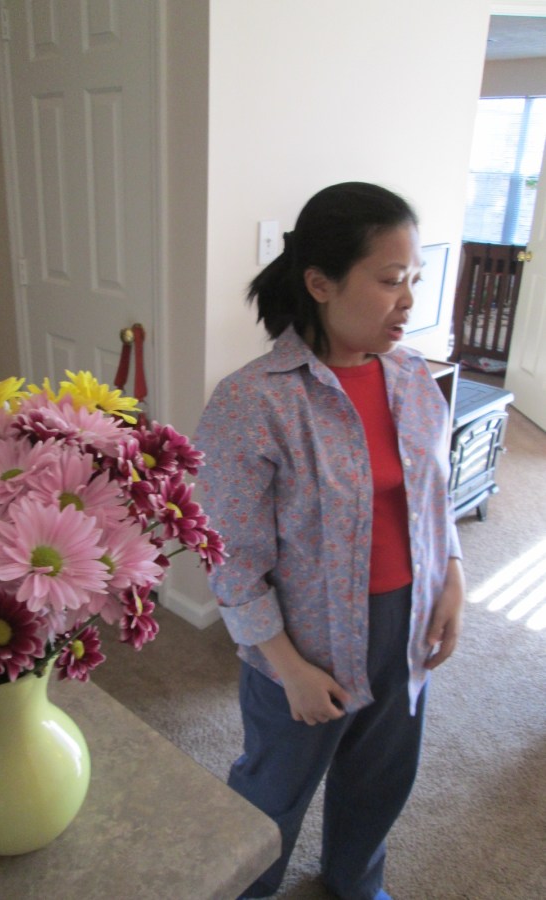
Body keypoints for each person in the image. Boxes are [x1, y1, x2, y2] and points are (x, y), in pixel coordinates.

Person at [194, 182, 465, 900]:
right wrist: (286, 668)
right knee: (272, 790)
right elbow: (230, 561)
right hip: (303, 643)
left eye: (414, 278)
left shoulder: (413, 378)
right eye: (389, 280)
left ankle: (355, 881)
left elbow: (432, 501)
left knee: (382, 776)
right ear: (319, 283)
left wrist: (453, 577)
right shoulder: (253, 400)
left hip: (405, 623)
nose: (408, 300)